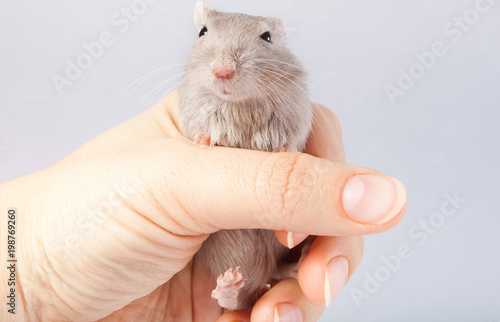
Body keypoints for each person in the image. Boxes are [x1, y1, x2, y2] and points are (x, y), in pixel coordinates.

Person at [0, 92, 406, 322]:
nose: (226, 67)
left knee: (288, 278)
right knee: (254, 288)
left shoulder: (289, 94)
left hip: (264, 253)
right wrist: (25, 281)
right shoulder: (198, 102)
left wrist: (19, 282)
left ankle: (262, 278)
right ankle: (236, 290)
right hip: (224, 256)